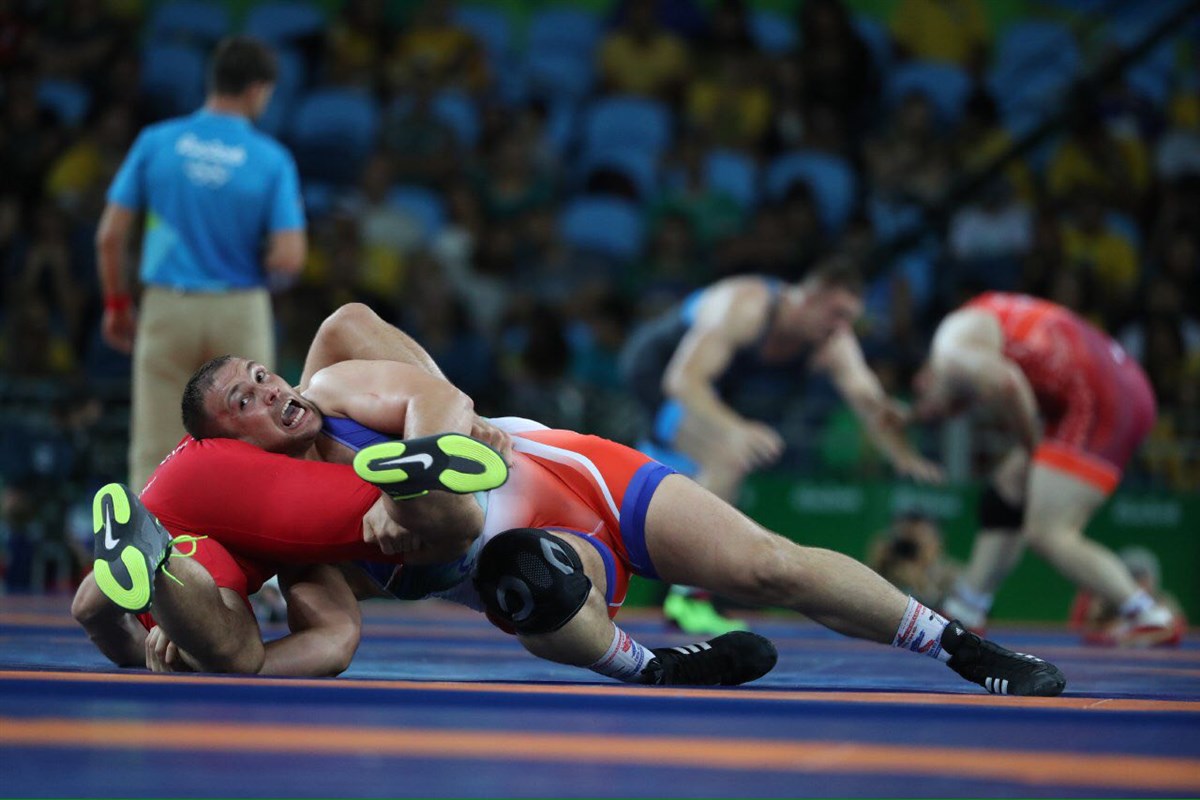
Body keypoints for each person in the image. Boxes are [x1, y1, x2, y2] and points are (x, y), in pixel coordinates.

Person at [82, 305, 1066, 696]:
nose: (272, 391)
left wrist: (432, 446)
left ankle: (959, 646)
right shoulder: (301, 545)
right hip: (535, 553)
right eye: (249, 402)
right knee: (528, 578)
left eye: (263, 376)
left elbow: (437, 395)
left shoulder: (335, 389)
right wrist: (190, 647)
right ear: (233, 447)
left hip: (572, 470)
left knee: (768, 563)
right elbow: (332, 640)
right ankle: (651, 667)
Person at [619, 261, 943, 635]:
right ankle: (688, 599)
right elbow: (683, 380)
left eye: (850, 319)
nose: (841, 327)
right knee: (728, 456)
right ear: (808, 298)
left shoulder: (833, 338)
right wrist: (735, 429)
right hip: (661, 372)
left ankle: (676, 578)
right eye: (837, 314)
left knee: (686, 473)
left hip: (714, 388)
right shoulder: (746, 306)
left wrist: (903, 455)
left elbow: (867, 399)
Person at [96, 35, 306, 490]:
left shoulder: (158, 141)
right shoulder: (271, 160)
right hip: (239, 308)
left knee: (154, 448)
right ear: (258, 89)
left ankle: (150, 533)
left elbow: (110, 236)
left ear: (214, 81)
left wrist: (116, 305)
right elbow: (289, 258)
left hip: (168, 307)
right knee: (255, 445)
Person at [913, 291, 1180, 646]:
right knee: (1007, 491)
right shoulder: (981, 316)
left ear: (923, 380)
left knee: (1048, 531)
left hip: (1100, 397)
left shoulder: (949, 352)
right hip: (1103, 385)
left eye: (946, 410)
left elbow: (1008, 382)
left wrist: (1030, 447)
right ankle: (966, 606)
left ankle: (1149, 615)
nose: (953, 413)